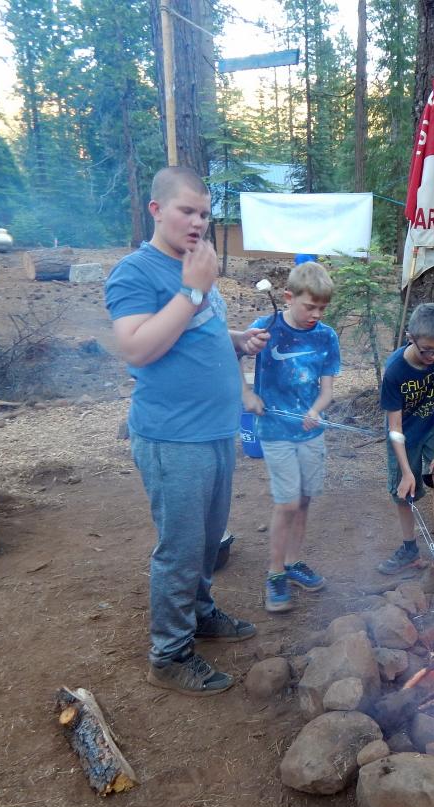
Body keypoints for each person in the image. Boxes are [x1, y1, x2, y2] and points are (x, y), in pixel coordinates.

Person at [105, 166, 268, 697]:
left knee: (206, 541)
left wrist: (235, 338)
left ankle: (199, 613)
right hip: (173, 437)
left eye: (204, 213)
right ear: (156, 210)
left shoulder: (193, 264)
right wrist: (193, 289)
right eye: (186, 211)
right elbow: (136, 347)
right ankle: (169, 654)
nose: (198, 222)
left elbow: (195, 328)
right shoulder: (137, 271)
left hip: (216, 430)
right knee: (180, 549)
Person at [243, 260, 340, 613]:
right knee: (286, 502)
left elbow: (326, 391)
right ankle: (275, 573)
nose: (316, 314)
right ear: (288, 297)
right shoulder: (266, 327)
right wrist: (246, 394)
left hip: (310, 434)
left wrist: (316, 411)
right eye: (310, 306)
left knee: (304, 499)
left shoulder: (326, 336)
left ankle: (293, 562)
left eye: (322, 308)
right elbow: (231, 354)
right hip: (275, 431)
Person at [377, 303, 434, 574]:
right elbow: (394, 426)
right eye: (427, 349)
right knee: (404, 492)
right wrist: (407, 473)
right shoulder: (395, 370)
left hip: (433, 422)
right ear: (411, 338)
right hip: (403, 432)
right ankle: (409, 550)